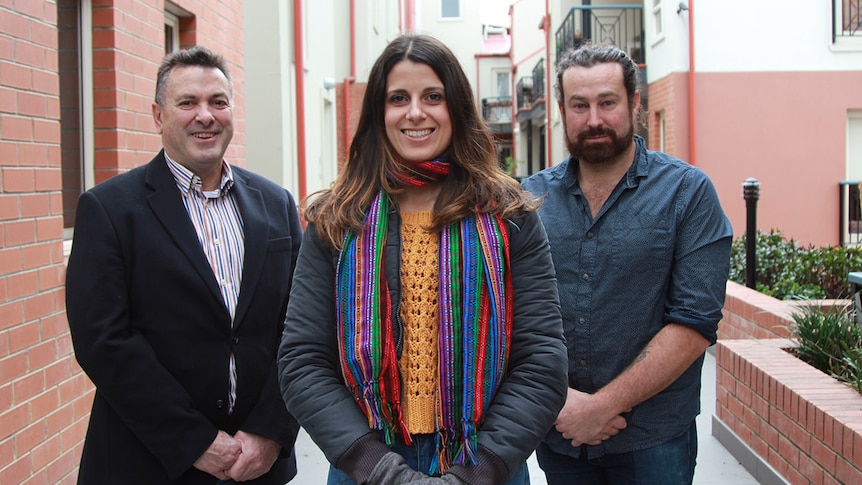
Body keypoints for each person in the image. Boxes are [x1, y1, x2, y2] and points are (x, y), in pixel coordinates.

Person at [277, 34, 567, 485]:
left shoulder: (509, 216)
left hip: (486, 463)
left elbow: (541, 360)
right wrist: (379, 469)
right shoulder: (337, 221)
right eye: (399, 98)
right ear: (379, 112)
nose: (416, 112)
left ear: (457, 107)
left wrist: (474, 472)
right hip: (366, 464)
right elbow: (302, 360)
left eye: (433, 96)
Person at [66, 45, 302, 484]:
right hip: (150, 462)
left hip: (258, 466)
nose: (205, 116)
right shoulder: (110, 209)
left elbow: (301, 327)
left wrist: (270, 431)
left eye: (218, 102)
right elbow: (103, 340)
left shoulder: (277, 205)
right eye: (187, 103)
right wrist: (194, 440)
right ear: (159, 116)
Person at [522, 43, 733, 485]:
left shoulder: (687, 194)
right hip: (560, 433)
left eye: (607, 102)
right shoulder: (529, 200)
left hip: (654, 440)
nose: (594, 119)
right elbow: (506, 314)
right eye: (580, 105)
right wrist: (561, 403)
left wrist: (600, 407)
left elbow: (694, 323)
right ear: (562, 109)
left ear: (635, 103)